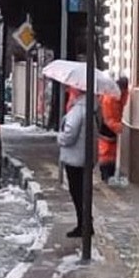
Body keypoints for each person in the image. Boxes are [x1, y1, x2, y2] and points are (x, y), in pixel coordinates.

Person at [59, 87, 89, 238]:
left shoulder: (78, 110)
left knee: (77, 192)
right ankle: (86, 222)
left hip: (75, 157)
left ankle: (83, 225)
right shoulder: (92, 106)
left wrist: (60, 138)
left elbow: (69, 134)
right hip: (85, 155)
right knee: (83, 191)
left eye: (72, 90)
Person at [98, 76, 130, 184]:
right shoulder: (109, 99)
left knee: (110, 152)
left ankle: (109, 174)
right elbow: (109, 118)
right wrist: (118, 127)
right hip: (109, 129)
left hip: (112, 127)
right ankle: (106, 174)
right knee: (106, 153)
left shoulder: (115, 96)